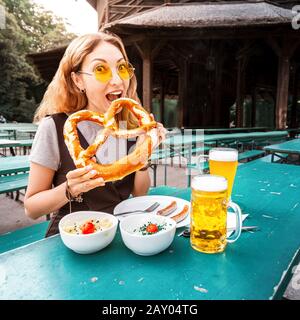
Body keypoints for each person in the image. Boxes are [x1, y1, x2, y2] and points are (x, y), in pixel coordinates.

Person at [24, 32, 167, 237]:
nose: (117, 80)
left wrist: (144, 151)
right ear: (77, 80)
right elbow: (31, 208)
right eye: (101, 69)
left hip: (120, 234)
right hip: (73, 241)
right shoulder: (54, 127)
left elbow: (139, 192)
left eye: (122, 68)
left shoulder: (130, 126)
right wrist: (69, 189)